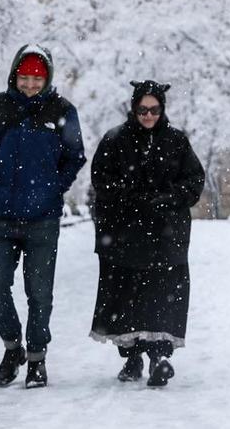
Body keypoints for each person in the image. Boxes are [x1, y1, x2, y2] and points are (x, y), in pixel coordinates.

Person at [0, 44, 86, 389]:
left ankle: (36, 359)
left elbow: (75, 155)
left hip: (42, 218)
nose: (30, 84)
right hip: (0, 216)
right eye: (25, 77)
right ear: (15, 75)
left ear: (46, 78)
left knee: (39, 292)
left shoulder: (62, 111)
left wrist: (54, 186)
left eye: (37, 78)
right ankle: (12, 345)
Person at [90, 80, 205, 388]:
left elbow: (194, 181)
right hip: (125, 235)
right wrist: (130, 200)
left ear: (162, 109)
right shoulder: (115, 140)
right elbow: (101, 181)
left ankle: (159, 357)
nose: (148, 116)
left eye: (154, 110)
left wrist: (169, 199)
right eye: (142, 109)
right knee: (126, 296)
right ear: (134, 108)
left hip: (165, 236)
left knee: (161, 296)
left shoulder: (177, 141)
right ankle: (131, 357)